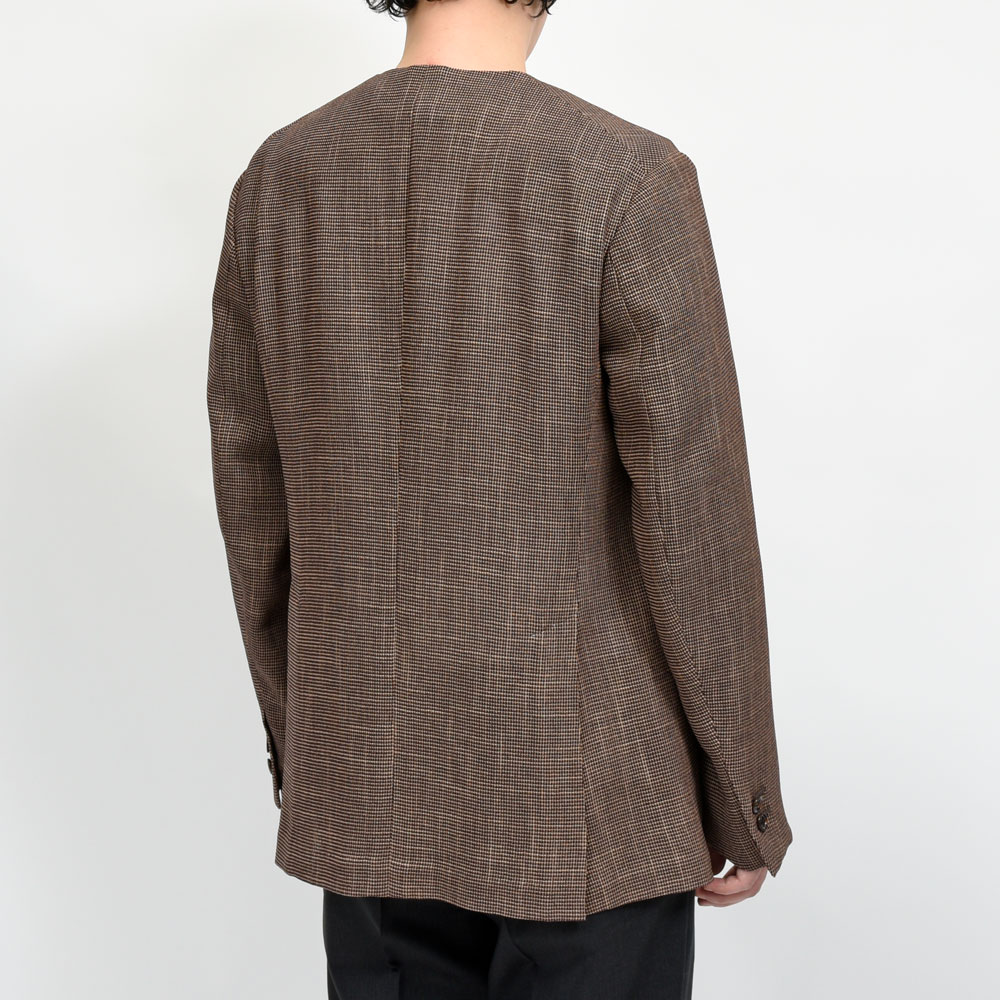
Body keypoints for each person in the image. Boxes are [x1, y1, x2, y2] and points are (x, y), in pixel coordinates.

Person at [206, 1, 793, 996]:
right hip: (586, 798)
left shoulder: (280, 177)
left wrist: (310, 750)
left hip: (365, 780)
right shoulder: (623, 173)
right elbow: (694, 514)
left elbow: (253, 504)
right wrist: (743, 795)